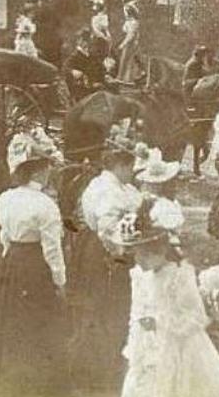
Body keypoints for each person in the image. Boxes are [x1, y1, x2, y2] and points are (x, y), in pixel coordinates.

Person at [0, 131, 68, 397]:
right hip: (36, 265)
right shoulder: (45, 205)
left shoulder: (5, 199)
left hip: (13, 262)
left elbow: (5, 236)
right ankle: (34, 381)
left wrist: (8, 261)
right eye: (46, 168)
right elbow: (52, 248)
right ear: (37, 171)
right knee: (37, 321)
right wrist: (60, 281)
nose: (48, 173)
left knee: (9, 318)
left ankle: (7, 373)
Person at [116, 198, 219, 397]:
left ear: (161, 250)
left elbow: (197, 317)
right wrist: (136, 340)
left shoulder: (179, 275)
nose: (138, 261)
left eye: (144, 255)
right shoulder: (139, 275)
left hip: (179, 347)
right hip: (147, 346)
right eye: (135, 255)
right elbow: (136, 311)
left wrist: (161, 322)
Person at [69, 145, 142, 391]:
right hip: (103, 251)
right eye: (130, 168)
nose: (133, 173)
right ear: (120, 166)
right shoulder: (110, 191)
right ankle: (100, 372)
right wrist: (121, 255)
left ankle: (92, 367)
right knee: (107, 309)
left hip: (89, 246)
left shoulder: (101, 183)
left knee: (94, 309)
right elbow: (107, 227)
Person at [117, 0, 144, 83]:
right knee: (124, 59)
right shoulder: (129, 22)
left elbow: (130, 36)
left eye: (126, 11)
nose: (124, 13)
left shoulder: (133, 23)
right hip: (129, 44)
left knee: (128, 60)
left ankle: (127, 79)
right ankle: (122, 78)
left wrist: (122, 44)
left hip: (131, 45)